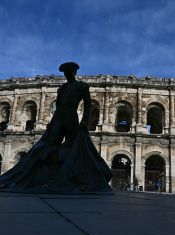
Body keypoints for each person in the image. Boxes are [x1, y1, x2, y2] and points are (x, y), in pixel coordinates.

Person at [0, 62, 112, 193]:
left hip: (71, 115)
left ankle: (70, 177)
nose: (67, 74)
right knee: (49, 146)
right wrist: (51, 122)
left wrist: (85, 121)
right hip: (59, 116)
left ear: (74, 73)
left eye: (69, 72)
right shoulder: (62, 88)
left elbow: (88, 105)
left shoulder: (82, 86)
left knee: (73, 148)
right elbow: (58, 106)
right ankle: (48, 177)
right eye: (65, 73)